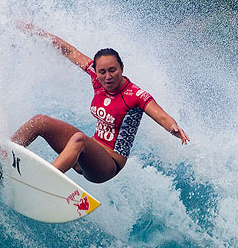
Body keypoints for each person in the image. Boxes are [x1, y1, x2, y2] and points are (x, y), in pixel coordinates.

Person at [11, 23, 189, 183]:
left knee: (79, 139)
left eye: (113, 70)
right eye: (102, 71)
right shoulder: (98, 80)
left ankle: (41, 183)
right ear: (96, 71)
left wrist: (173, 127)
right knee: (40, 121)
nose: (108, 76)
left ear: (121, 68)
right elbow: (68, 51)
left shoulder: (135, 95)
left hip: (107, 166)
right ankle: (3, 154)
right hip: (85, 155)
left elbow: (161, 116)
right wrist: (36, 32)